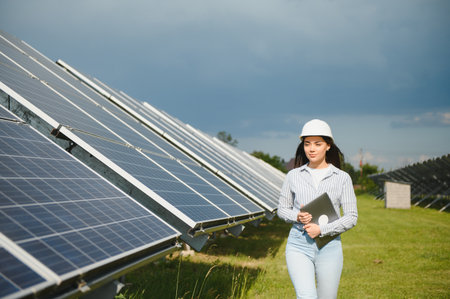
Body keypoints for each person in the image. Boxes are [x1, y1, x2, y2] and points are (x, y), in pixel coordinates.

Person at [278, 119, 358, 299]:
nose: (311, 149)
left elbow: (351, 216)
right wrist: (297, 216)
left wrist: (322, 229)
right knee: (306, 296)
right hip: (298, 245)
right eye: (307, 144)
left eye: (317, 144)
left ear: (328, 146)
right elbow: (282, 209)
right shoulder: (293, 176)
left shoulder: (342, 178)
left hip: (330, 246)